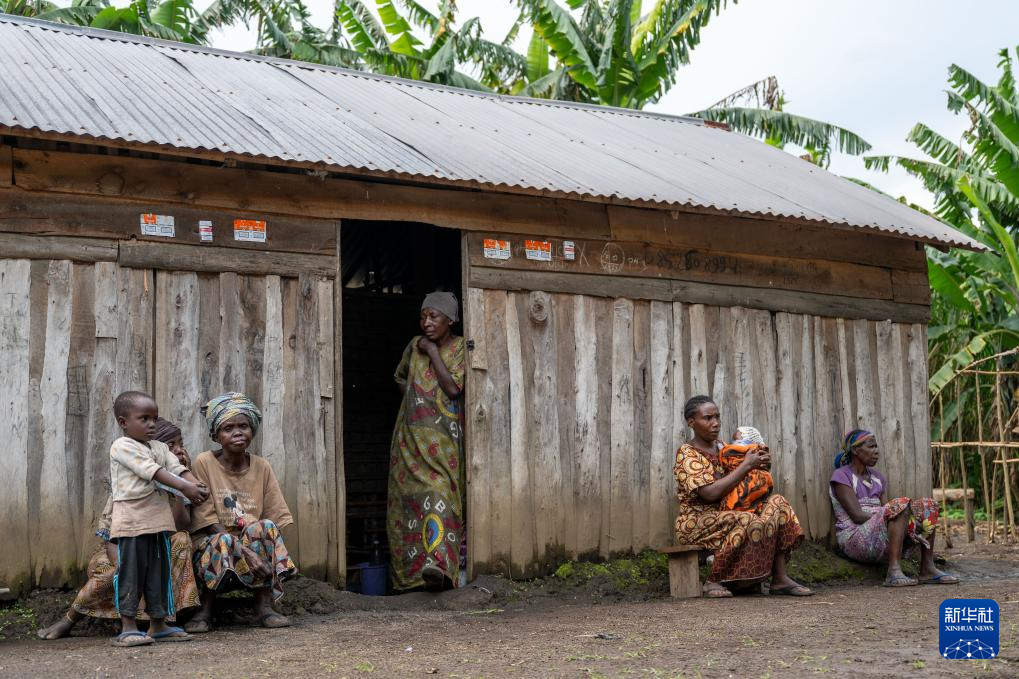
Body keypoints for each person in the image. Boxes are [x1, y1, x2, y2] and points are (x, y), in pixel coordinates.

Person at [36, 418, 201, 640]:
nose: (180, 450)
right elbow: (111, 539)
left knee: (180, 541)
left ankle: (161, 622)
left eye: (181, 444)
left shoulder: (180, 485)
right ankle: (71, 619)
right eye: (172, 445)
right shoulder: (129, 488)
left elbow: (180, 525)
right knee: (124, 572)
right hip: (119, 547)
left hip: (159, 546)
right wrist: (122, 564)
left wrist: (180, 488)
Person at [673, 395, 813, 598]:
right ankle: (714, 580)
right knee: (747, 519)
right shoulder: (687, 453)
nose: (716, 423)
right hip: (697, 522)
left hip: (733, 511)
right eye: (708, 418)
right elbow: (709, 493)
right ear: (691, 422)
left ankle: (779, 578)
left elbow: (749, 479)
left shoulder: (725, 448)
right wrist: (746, 465)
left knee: (778, 503)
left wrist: (761, 463)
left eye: (717, 417)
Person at [185, 392, 297, 633]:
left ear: (252, 430)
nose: (237, 432)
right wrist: (247, 553)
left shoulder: (262, 466)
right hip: (210, 546)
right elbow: (206, 521)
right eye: (228, 428)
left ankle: (264, 607)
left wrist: (262, 547)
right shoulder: (204, 462)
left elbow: (275, 518)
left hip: (249, 542)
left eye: (243, 426)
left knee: (264, 527)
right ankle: (205, 609)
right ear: (216, 435)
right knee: (222, 540)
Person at [107, 392, 209, 646]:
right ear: (123, 422)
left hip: (158, 523)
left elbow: (177, 469)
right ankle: (128, 626)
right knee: (131, 574)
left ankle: (158, 624)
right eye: (144, 419)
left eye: (154, 418)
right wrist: (185, 488)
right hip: (132, 523)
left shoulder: (160, 448)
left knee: (158, 575)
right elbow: (155, 472)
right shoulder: (123, 446)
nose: (151, 424)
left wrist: (196, 484)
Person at [387, 291, 466, 592]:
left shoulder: (459, 348)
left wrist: (432, 351)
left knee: (440, 493)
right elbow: (399, 377)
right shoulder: (413, 346)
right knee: (406, 502)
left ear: (451, 320)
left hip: (444, 446)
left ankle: (439, 569)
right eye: (423, 317)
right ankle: (409, 579)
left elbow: (453, 389)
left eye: (434, 316)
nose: (427, 323)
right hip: (409, 442)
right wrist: (416, 402)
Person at [830, 430, 960, 587]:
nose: (876, 451)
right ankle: (893, 570)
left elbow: (888, 510)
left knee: (928, 506)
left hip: (879, 536)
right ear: (855, 450)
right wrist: (896, 517)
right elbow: (857, 516)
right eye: (871, 447)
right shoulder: (841, 476)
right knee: (899, 507)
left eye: (876, 446)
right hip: (855, 538)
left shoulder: (877, 478)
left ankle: (927, 568)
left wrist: (905, 522)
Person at [717, 426, 774, 512]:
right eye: (733, 442)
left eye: (739, 442)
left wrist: (723, 449)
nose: (734, 445)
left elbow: (730, 453)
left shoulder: (756, 453)